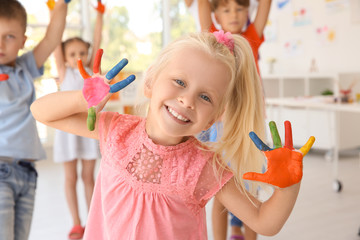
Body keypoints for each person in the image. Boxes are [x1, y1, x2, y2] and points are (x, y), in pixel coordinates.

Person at [30, 31, 314, 240]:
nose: (187, 101)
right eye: (179, 82)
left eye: (205, 97)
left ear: (215, 116)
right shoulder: (117, 130)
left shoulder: (205, 168)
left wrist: (289, 186)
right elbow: (41, 111)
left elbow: (265, 223)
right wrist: (84, 99)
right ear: (151, 80)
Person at [198, 1, 271, 239]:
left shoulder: (252, 36)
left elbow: (265, 6)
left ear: (247, 12)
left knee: (250, 192)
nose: (234, 14)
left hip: (251, 127)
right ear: (215, 14)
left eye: (240, 9)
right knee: (221, 191)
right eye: (227, 9)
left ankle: (241, 230)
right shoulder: (213, 40)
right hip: (222, 127)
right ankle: (231, 230)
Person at [0, 0, 69, 239]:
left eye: (9, 36)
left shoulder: (25, 67)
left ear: (22, 41)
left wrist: (61, 6)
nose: (0, 43)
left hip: (28, 172)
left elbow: (52, 39)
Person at [51, 1, 104, 239]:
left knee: (88, 177)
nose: (78, 57)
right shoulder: (63, 72)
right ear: (63, 56)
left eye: (83, 53)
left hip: (88, 131)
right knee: (70, 178)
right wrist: (54, 12)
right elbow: (54, 40)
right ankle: (75, 222)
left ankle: (93, 221)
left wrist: (100, 17)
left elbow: (97, 39)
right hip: (67, 135)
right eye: (72, 54)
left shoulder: (91, 73)